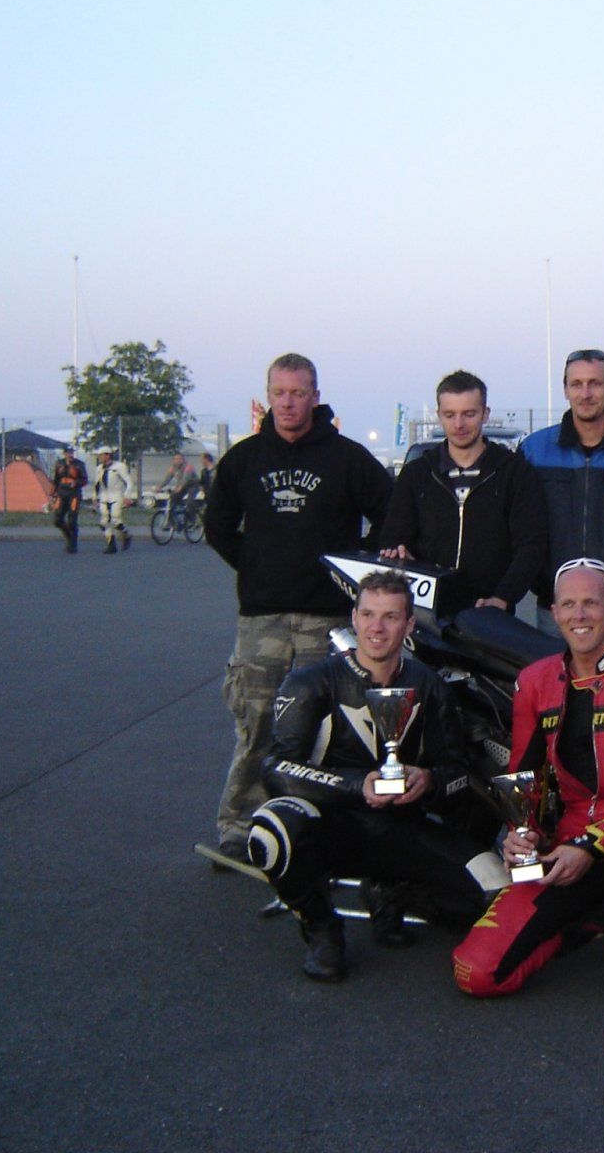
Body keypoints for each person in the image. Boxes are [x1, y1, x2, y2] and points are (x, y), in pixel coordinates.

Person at [453, 558, 604, 1013]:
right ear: (553, 613)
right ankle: (603, 915)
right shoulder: (534, 681)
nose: (579, 614)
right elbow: (523, 777)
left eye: (591, 603)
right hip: (569, 844)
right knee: (476, 973)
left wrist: (593, 843)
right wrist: (521, 832)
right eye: (568, 604)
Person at [246, 570, 507, 982]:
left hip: (402, 829)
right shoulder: (310, 682)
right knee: (270, 830)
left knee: (499, 892)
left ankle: (398, 892)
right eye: (368, 614)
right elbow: (275, 768)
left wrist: (429, 781)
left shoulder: (429, 686)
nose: (376, 628)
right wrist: (356, 786)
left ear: (408, 625)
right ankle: (321, 928)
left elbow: (456, 772)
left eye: (390, 617)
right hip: (334, 826)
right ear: (354, 617)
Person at [204, 353, 393, 861]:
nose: (288, 403)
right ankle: (240, 825)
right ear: (268, 396)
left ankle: (320, 826)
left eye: (298, 392)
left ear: (315, 396)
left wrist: (353, 566)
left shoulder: (347, 458)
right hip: (262, 618)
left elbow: (390, 511)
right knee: (258, 724)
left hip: (327, 617)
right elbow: (217, 526)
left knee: (327, 729)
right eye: (279, 393)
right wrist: (255, 565)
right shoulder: (244, 459)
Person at [377, 370, 547, 612]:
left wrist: (503, 597)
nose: (459, 424)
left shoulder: (515, 473)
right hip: (424, 610)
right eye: (450, 415)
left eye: (469, 414)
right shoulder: (417, 474)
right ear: (439, 416)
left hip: (489, 610)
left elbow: (531, 544)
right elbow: (393, 536)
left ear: (485, 414)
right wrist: (399, 554)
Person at [519, 349, 604, 634]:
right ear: (565, 390)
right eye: (576, 384)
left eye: (595, 383)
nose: (585, 393)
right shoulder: (534, 451)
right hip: (557, 609)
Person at [90, 447, 135, 554]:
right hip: (104, 497)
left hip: (116, 496)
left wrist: (127, 496)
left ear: (108, 455)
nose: (99, 457)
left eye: (101, 455)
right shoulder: (99, 469)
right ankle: (111, 544)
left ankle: (125, 534)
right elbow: (96, 485)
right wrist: (94, 498)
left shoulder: (119, 467)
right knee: (104, 522)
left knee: (115, 520)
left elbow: (129, 482)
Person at [48, 444, 89, 554]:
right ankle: (68, 535)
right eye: (68, 452)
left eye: (71, 452)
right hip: (61, 494)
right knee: (57, 519)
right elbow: (56, 479)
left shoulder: (79, 464)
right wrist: (52, 492)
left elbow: (85, 480)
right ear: (64, 453)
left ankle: (73, 544)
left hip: (73, 495)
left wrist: (76, 483)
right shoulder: (59, 463)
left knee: (72, 520)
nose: (70, 455)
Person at [156, 453, 200, 524]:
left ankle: (192, 521)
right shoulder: (172, 468)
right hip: (182, 486)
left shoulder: (188, 467)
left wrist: (180, 487)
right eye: (175, 459)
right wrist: (159, 487)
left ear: (183, 460)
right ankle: (171, 521)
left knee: (190, 501)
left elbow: (185, 478)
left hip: (193, 485)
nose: (177, 461)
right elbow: (167, 479)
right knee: (173, 497)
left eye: (179, 459)